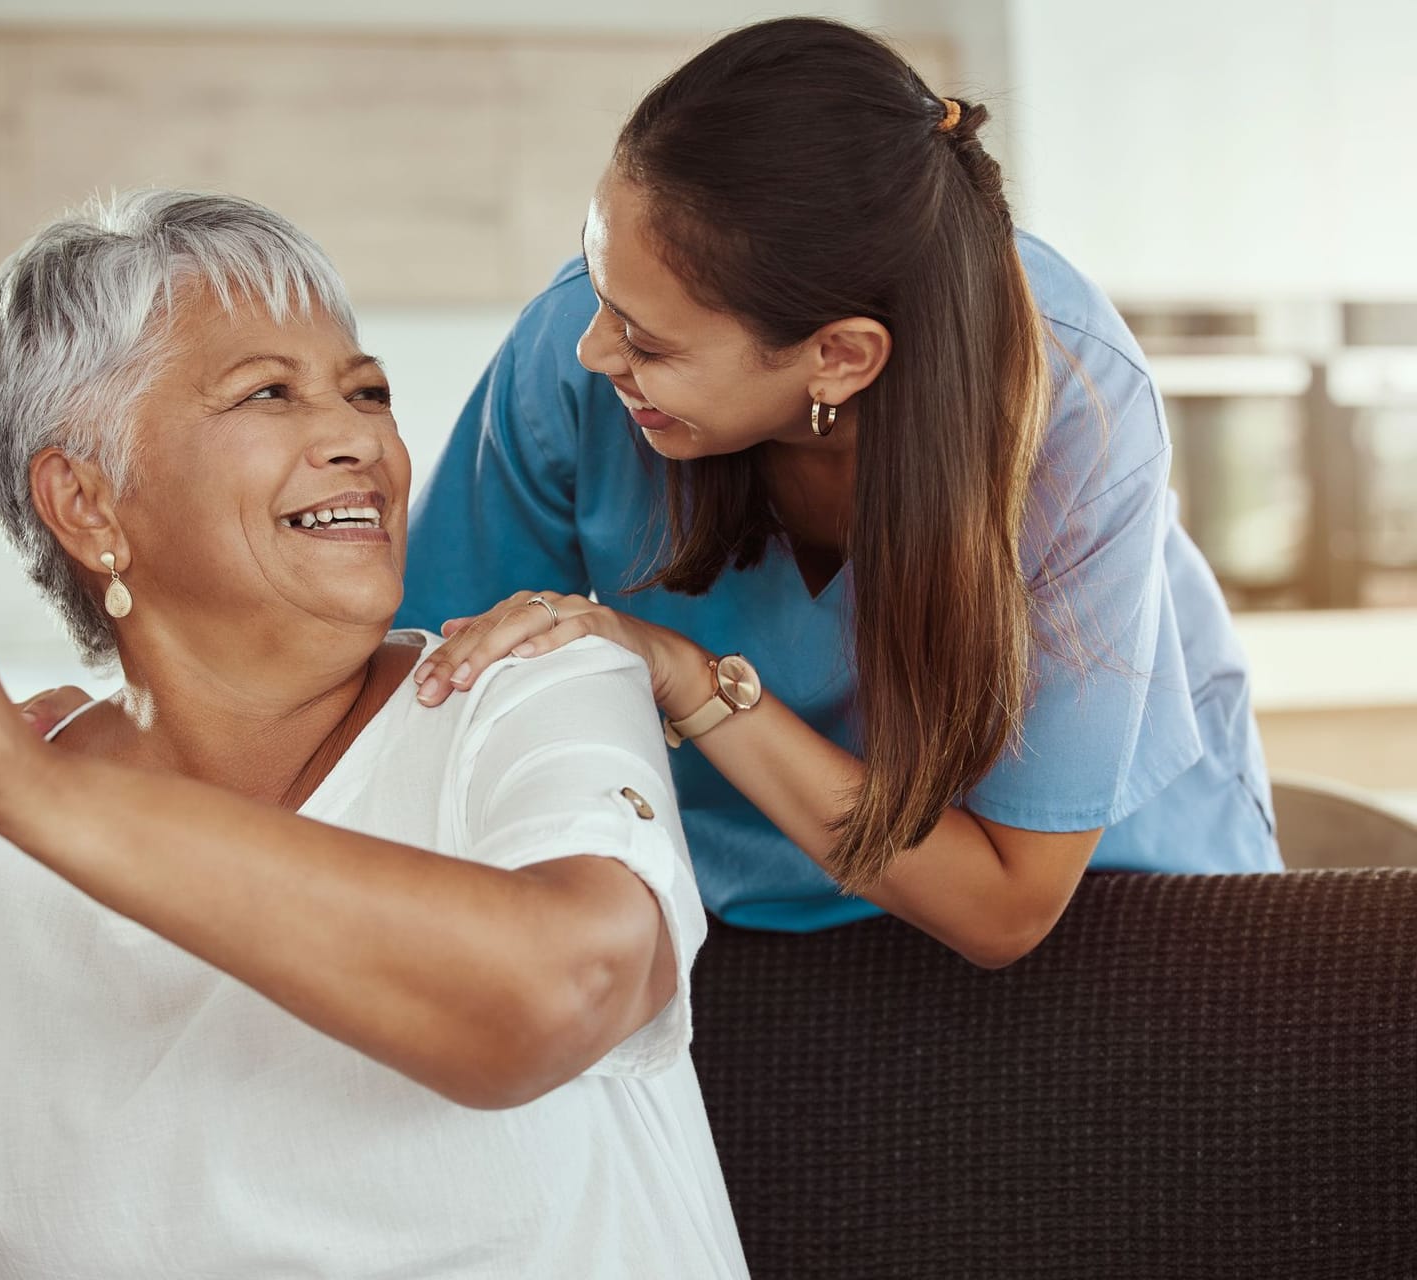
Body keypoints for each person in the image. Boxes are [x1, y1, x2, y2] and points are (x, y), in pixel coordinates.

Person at [0, 191, 749, 1279]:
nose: (360, 441)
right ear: (85, 502)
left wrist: (35, 790)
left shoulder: (529, 686)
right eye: (269, 393)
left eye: (367, 389)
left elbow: (557, 992)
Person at [401, 16, 1281, 969]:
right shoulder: (573, 354)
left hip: (1097, 903)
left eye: (647, 343)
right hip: (721, 905)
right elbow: (437, 707)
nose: (590, 348)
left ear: (839, 357)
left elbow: (1003, 907)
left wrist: (684, 676)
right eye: (601, 292)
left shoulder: (1075, 400)